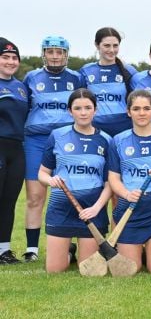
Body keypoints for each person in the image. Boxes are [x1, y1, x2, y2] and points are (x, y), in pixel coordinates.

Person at [22, 36, 84, 262]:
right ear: (44, 53)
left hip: (67, 141)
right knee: (35, 196)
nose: (55, 56)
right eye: (51, 51)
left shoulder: (76, 78)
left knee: (71, 193)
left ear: (66, 54)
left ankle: (72, 245)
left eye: (60, 52)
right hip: (36, 140)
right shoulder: (31, 77)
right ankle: (32, 249)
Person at [37, 89, 112, 272]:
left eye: (88, 107)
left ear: (95, 109)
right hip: (61, 207)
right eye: (78, 108)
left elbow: (109, 184)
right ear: (70, 111)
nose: (83, 112)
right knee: (55, 269)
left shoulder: (106, 140)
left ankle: (74, 252)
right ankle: (68, 252)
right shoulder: (57, 136)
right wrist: (50, 180)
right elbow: (42, 174)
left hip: (91, 210)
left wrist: (96, 208)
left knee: (87, 269)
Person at [108, 90, 151, 274]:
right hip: (129, 212)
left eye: (146, 108)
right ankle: (142, 252)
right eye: (136, 109)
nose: (142, 113)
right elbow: (113, 178)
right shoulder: (118, 140)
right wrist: (126, 194)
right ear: (129, 112)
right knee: (130, 270)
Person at [0, 38, 28, 264]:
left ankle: (4, 250)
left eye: (14, 58)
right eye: (5, 57)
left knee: (9, 200)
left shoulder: (20, 87)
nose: (10, 61)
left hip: (17, 149)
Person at [80, 27, 138, 137]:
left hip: (124, 129)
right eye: (107, 45)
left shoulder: (129, 71)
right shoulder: (86, 71)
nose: (111, 50)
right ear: (97, 45)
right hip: (95, 130)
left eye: (115, 45)